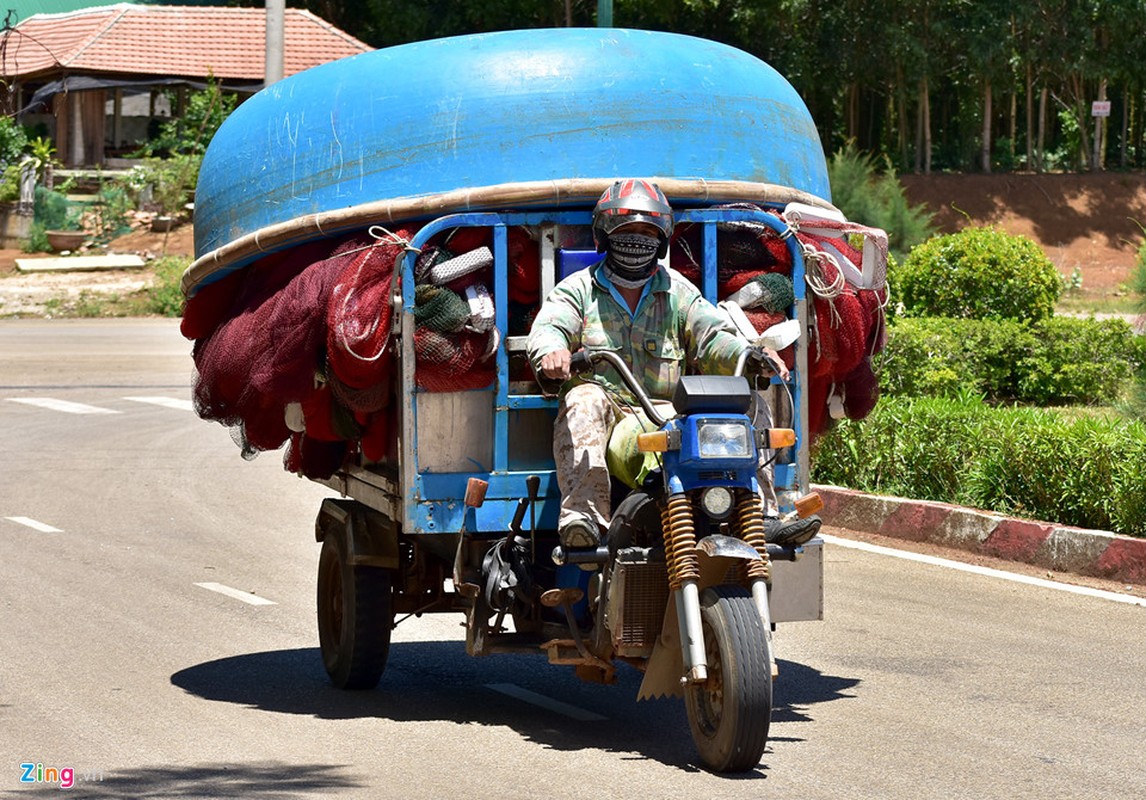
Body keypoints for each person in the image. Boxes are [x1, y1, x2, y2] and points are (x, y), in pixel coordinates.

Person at [526, 178, 821, 549]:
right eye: (626, 231)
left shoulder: (678, 291)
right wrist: (553, 352)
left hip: (670, 414)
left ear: (661, 240)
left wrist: (751, 356)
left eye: (647, 232)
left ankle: (760, 516)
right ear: (604, 235)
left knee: (750, 404)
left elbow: (713, 336)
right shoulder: (579, 289)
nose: (636, 241)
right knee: (582, 398)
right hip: (615, 416)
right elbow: (550, 326)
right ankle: (584, 519)